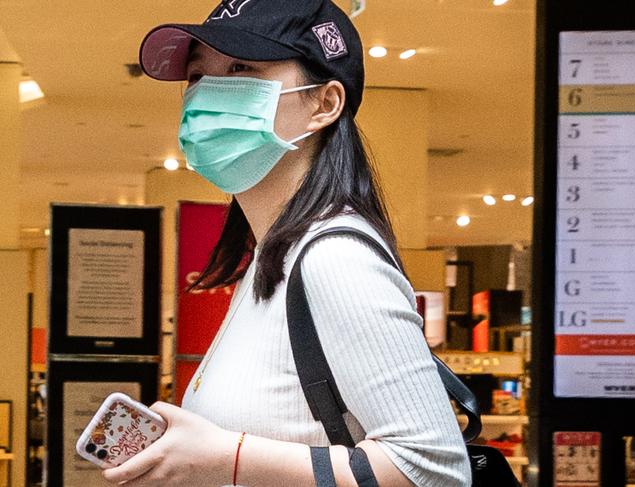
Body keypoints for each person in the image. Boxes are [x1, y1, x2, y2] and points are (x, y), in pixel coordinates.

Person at [103, 1, 471, 485]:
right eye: (197, 76)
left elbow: (434, 467)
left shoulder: (336, 258)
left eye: (241, 67)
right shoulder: (269, 259)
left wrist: (224, 456)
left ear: (324, 103)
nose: (209, 93)